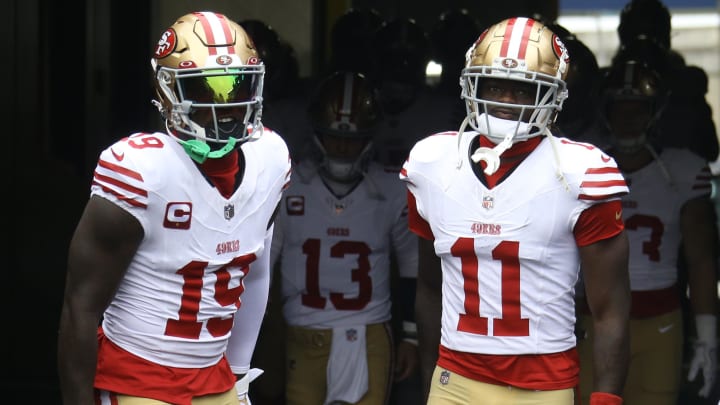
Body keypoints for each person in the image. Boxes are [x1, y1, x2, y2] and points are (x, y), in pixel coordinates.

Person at [57, 11, 292, 405]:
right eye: (206, 89)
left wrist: (238, 375)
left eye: (238, 85)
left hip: (214, 377)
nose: (227, 105)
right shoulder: (141, 170)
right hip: (138, 378)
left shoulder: (271, 158)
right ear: (168, 92)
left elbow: (254, 272)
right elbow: (80, 308)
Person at [399, 17, 632, 405]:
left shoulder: (582, 172)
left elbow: (609, 309)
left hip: (543, 386)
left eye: (522, 90)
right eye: (493, 85)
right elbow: (429, 285)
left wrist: (606, 398)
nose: (504, 101)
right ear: (472, 83)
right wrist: (430, 376)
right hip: (454, 380)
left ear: (552, 96)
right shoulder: (432, 163)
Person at [270, 70, 419, 405]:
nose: (342, 146)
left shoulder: (391, 189)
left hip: (367, 333)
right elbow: (264, 265)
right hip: (302, 331)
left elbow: (412, 266)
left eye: (352, 138)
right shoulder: (289, 184)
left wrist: (411, 334)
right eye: (334, 136)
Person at [576, 57, 718, 405]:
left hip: (660, 319)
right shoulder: (578, 166)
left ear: (654, 112)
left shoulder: (682, 171)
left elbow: (701, 260)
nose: (627, 119)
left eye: (637, 109)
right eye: (619, 109)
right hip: (591, 316)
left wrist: (708, 337)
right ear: (605, 112)